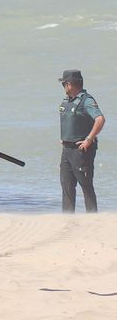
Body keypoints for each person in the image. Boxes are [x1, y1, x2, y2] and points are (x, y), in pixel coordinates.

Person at [59, 69, 104, 213]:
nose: (63, 87)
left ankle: (92, 217)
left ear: (70, 84)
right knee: (66, 185)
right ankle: (68, 217)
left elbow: (100, 119)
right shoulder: (67, 101)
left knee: (85, 185)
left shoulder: (87, 100)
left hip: (81, 150)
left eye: (64, 84)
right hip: (66, 150)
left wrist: (89, 139)